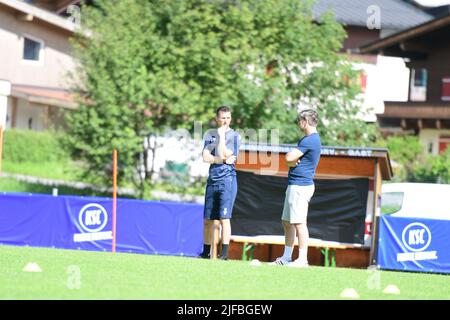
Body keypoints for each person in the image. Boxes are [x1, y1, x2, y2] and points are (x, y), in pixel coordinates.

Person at [270, 109, 321, 267]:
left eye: (300, 121)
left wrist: (291, 160)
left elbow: (289, 157)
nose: (299, 124)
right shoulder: (307, 139)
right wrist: (291, 161)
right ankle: (286, 258)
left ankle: (302, 259)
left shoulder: (310, 140)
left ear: (305, 121)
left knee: (299, 223)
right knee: (287, 222)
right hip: (294, 185)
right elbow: (291, 161)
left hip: (300, 186)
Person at [199, 106, 240, 260]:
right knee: (207, 220)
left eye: (228, 118)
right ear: (217, 119)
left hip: (227, 180)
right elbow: (205, 157)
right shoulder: (210, 135)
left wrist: (222, 137)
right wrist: (222, 160)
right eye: (223, 118)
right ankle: (205, 253)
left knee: (224, 219)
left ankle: (224, 255)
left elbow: (226, 153)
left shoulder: (235, 136)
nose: (225, 121)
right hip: (212, 180)